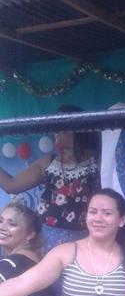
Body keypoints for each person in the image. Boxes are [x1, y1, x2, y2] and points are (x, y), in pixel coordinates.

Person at [0, 106, 100, 250]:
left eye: (59, 126)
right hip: (46, 239)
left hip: (84, 241)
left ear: (73, 128)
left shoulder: (97, 161)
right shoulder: (48, 162)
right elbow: (11, 186)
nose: (55, 131)